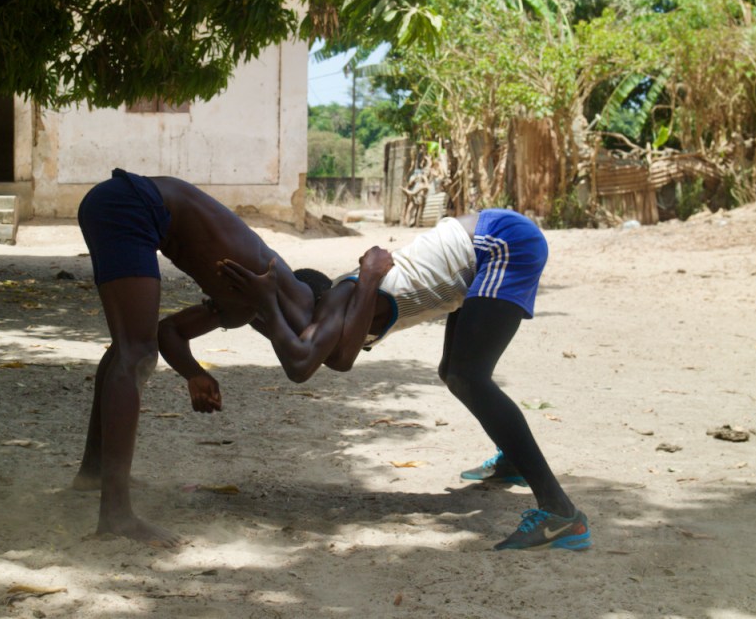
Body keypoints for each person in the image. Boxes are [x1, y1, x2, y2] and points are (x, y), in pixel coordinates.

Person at [220, 210, 591, 551]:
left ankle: (560, 512)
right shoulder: (340, 314)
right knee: (456, 373)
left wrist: (268, 303)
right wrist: (256, 309)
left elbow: (321, 362)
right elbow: (319, 355)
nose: (305, 333)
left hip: (500, 241)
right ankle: (514, 458)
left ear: (316, 304)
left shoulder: (340, 300)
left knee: (468, 376)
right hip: (478, 248)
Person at [74, 168, 321, 546]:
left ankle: (93, 472)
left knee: (130, 346)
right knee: (136, 352)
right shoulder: (298, 295)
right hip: (133, 205)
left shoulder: (245, 304)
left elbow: (170, 332)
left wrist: (195, 373)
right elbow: (303, 361)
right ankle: (117, 516)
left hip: (121, 202)